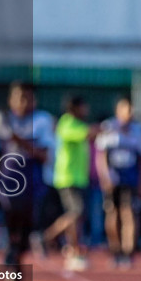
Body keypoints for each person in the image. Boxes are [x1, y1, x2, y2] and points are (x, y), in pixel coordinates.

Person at [0, 82, 54, 281]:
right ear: (11, 100)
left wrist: (19, 140)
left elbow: (44, 155)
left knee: (27, 230)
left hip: (33, 184)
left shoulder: (43, 121)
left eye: (28, 98)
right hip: (7, 183)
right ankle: (11, 261)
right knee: (9, 225)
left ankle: (17, 255)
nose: (24, 103)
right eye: (19, 98)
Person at [95, 96, 141, 268]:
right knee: (113, 214)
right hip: (113, 178)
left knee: (129, 214)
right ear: (118, 110)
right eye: (126, 109)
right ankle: (115, 251)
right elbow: (101, 156)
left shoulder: (139, 130)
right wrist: (104, 177)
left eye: (131, 110)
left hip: (131, 178)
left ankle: (128, 252)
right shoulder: (108, 127)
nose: (129, 113)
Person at [42, 96, 91, 271]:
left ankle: (74, 251)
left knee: (75, 216)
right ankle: (47, 237)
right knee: (76, 212)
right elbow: (88, 133)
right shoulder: (67, 123)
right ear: (75, 108)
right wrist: (106, 129)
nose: (87, 110)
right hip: (68, 177)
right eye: (84, 106)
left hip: (78, 178)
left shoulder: (77, 123)